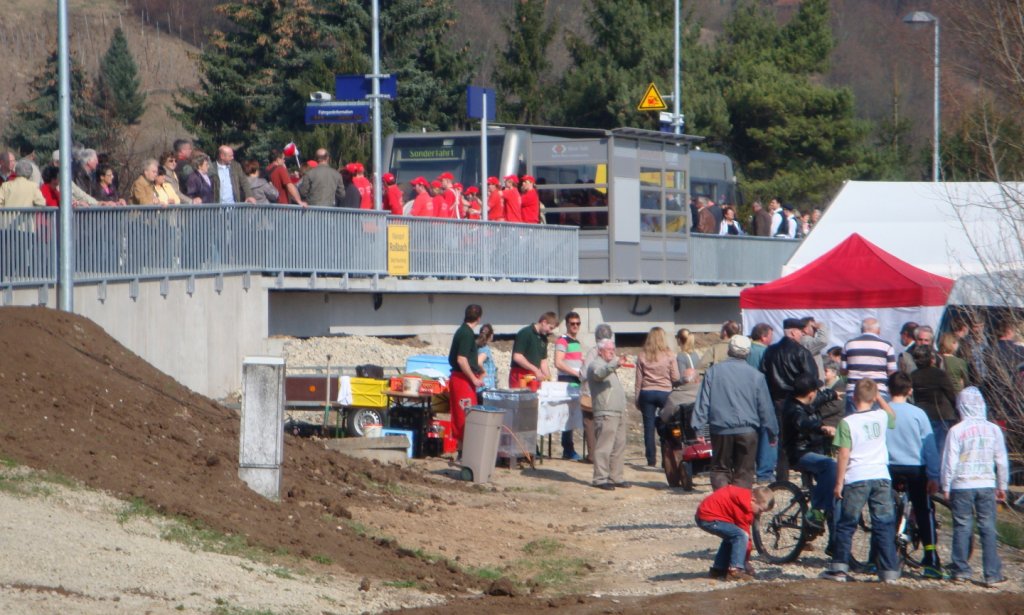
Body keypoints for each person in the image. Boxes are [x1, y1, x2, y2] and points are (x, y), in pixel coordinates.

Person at [822, 379, 899, 583]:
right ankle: (889, 570)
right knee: (883, 523)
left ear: (853, 398)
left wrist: (839, 482)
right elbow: (893, 415)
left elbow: (844, 454)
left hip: (857, 476)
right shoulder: (881, 416)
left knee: (847, 523)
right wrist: (880, 398)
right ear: (873, 398)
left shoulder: (847, 423)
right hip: (881, 475)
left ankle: (839, 566)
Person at [941, 387, 1009, 587]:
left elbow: (949, 460)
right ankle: (991, 574)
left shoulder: (956, 430)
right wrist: (1002, 485)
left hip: (962, 484)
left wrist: (946, 484)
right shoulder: (993, 429)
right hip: (986, 483)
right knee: (987, 527)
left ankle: (961, 570)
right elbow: (1002, 460)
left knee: (962, 526)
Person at [693, 335, 777, 490]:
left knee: (720, 468)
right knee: (744, 471)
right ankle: (739, 506)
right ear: (748, 352)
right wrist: (772, 431)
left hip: (720, 429)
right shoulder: (756, 376)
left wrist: (698, 427)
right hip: (747, 430)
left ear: (729, 350)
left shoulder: (713, 372)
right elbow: (765, 407)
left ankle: (722, 505)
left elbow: (703, 401)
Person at [885, 371, 944, 579]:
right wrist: (934, 475)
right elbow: (929, 448)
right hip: (914, 468)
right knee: (923, 510)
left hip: (888, 467)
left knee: (884, 511)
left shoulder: (881, 411)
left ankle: (878, 558)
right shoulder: (918, 414)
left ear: (888, 389)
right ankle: (931, 559)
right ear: (909, 390)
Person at [782, 373, 839, 549]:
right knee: (830, 465)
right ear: (810, 393)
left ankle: (834, 544)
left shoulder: (807, 400)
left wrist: (834, 394)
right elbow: (802, 423)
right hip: (800, 454)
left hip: (816, 450)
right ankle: (816, 511)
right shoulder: (793, 409)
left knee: (833, 492)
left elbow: (822, 397)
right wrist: (821, 428)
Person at [761, 317, 818, 481]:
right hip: (797, 400)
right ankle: (807, 477)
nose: (802, 335)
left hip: (776, 400)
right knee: (803, 438)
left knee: (781, 439)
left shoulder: (770, 351)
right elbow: (811, 378)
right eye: (800, 332)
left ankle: (782, 477)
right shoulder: (801, 352)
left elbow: (763, 374)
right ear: (793, 332)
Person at [696, 484, 775, 581]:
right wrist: (745, 561)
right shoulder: (744, 507)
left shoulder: (742, 495)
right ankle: (735, 570)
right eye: (760, 510)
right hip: (708, 518)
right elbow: (745, 535)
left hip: (704, 514)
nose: (759, 514)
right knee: (740, 535)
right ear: (753, 500)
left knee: (731, 536)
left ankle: (718, 569)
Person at [635, 327, 681, 467]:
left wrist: (637, 398)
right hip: (664, 392)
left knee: (648, 428)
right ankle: (665, 459)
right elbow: (675, 377)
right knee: (665, 426)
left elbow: (638, 379)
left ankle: (650, 459)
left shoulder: (642, 355)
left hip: (647, 392)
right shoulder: (669, 355)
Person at [588, 338, 629, 490]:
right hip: (606, 412)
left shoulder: (609, 366)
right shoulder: (596, 364)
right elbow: (599, 374)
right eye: (608, 349)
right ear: (600, 351)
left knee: (619, 445)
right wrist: (615, 364)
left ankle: (615, 477)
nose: (612, 351)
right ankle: (600, 478)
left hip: (617, 412)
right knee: (604, 446)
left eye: (614, 349)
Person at [841, 317, 898, 415]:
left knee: (854, 425)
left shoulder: (849, 344)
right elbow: (892, 371)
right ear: (878, 330)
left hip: (854, 391)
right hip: (878, 392)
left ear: (861, 330)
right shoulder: (887, 345)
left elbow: (843, 370)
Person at [447, 304, 485, 453]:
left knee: (464, 415)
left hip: (462, 378)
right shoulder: (466, 333)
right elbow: (461, 359)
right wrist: (474, 379)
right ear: (479, 318)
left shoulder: (462, 331)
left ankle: (464, 450)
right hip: (462, 379)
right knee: (465, 416)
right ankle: (464, 451)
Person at [909, 345, 957, 455]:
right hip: (940, 415)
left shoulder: (913, 375)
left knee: (924, 447)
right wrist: (956, 407)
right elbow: (951, 393)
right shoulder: (939, 374)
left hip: (921, 414)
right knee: (940, 449)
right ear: (931, 359)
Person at [577, 323, 613, 464]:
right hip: (606, 393)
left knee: (590, 423)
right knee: (605, 426)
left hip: (591, 393)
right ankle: (605, 454)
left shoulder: (594, 351)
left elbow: (586, 373)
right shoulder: (612, 351)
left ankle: (592, 455)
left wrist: (580, 373)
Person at [554, 312, 585, 461]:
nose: (575, 326)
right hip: (566, 382)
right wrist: (575, 373)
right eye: (572, 323)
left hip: (575, 383)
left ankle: (569, 448)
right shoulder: (562, 340)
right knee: (566, 416)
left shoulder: (576, 342)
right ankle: (567, 448)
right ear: (567, 324)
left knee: (572, 416)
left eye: (578, 323)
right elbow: (558, 362)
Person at [509, 312, 558, 388]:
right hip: (520, 374)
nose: (550, 331)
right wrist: (536, 370)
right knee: (521, 399)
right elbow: (517, 357)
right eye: (550, 328)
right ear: (544, 322)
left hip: (533, 376)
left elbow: (543, 362)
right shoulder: (525, 333)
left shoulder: (544, 339)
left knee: (534, 399)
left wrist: (548, 379)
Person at [475, 323, 496, 393]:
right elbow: (478, 362)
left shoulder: (478, 348)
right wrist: (483, 372)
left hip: (480, 386)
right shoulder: (485, 349)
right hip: (485, 387)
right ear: (491, 335)